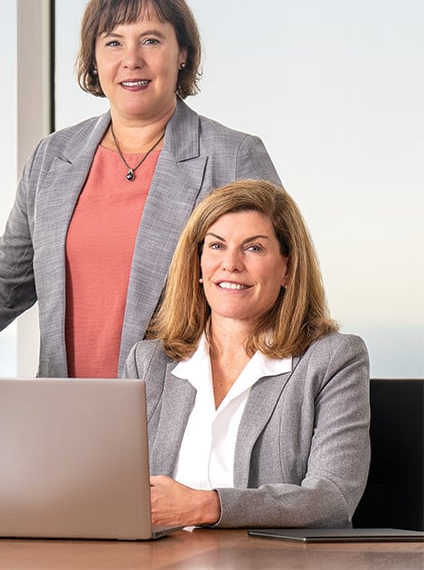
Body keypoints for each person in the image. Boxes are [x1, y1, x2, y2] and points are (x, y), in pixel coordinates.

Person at [0, 0, 282, 378]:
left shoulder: (233, 157)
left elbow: (284, 291)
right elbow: (0, 287)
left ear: (182, 52)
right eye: (113, 42)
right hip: (65, 415)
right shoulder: (53, 158)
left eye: (151, 40)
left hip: (185, 421)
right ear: (94, 59)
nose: (131, 60)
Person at [124, 179, 370, 528]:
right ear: (197, 264)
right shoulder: (148, 362)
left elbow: (332, 498)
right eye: (216, 246)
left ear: (287, 267)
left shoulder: (333, 359)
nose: (230, 264)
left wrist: (207, 507)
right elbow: (112, 487)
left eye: (253, 248)